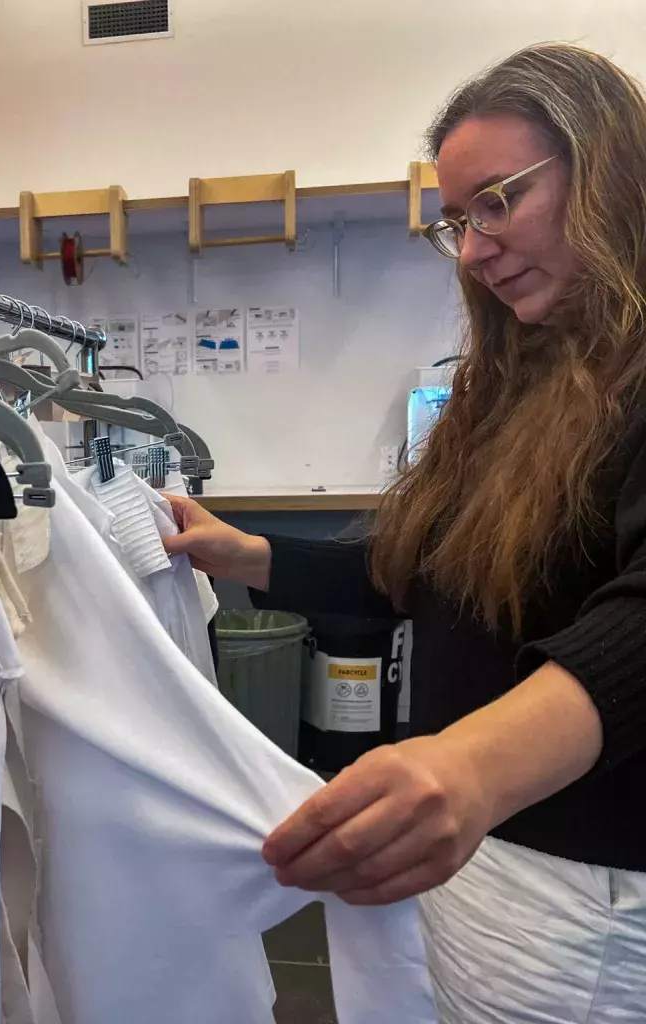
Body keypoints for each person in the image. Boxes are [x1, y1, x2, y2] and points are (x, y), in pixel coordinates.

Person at [165, 43, 646, 1023]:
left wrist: (470, 765)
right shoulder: (526, 382)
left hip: (580, 885)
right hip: (486, 855)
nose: (471, 248)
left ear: (605, 175)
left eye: (498, 202)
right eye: (458, 222)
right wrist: (241, 551)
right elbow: (428, 572)